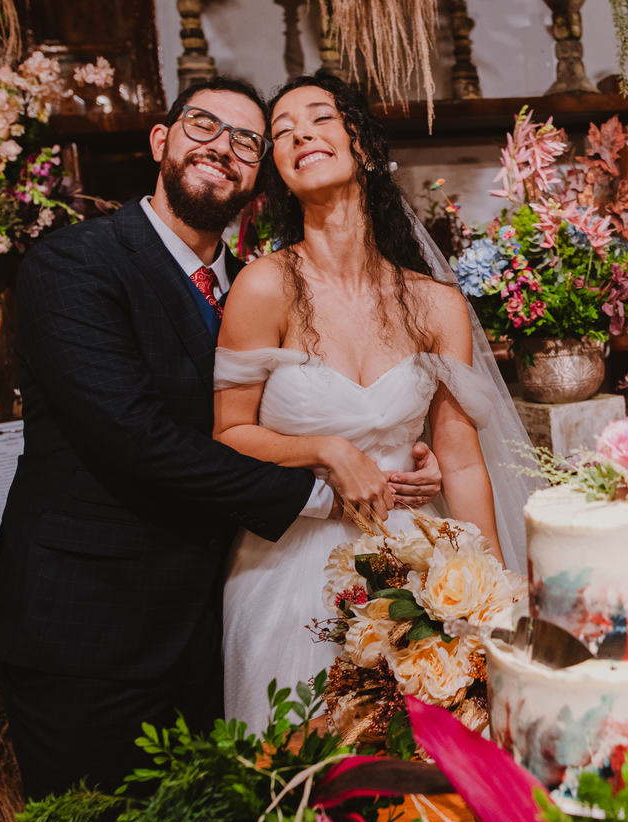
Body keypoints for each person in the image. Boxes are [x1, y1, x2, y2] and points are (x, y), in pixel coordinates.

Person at [0, 76, 440, 822]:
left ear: (257, 177)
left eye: (245, 142)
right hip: (90, 627)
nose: (221, 149)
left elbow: (274, 414)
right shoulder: (77, 264)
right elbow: (134, 438)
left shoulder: (253, 286)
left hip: (215, 615)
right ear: (160, 142)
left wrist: (392, 448)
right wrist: (333, 483)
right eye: (202, 126)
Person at [214, 74, 533, 726]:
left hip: (417, 567)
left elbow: (461, 460)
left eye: (319, 117)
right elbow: (227, 433)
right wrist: (327, 450)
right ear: (276, 167)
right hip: (289, 568)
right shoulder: (263, 287)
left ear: (359, 142)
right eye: (281, 130)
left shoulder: (435, 303)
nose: (299, 132)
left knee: (424, 775)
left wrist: (496, 598)